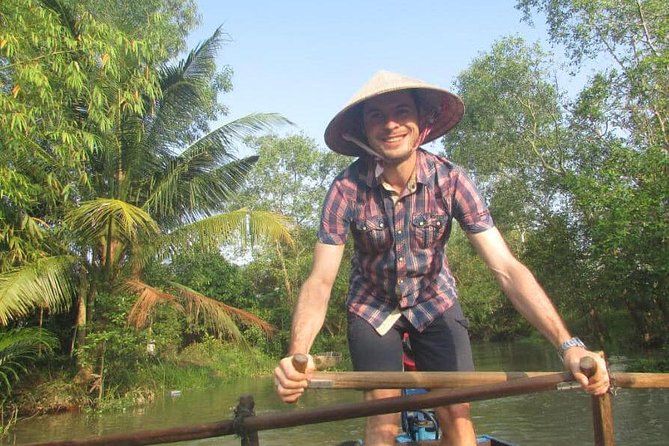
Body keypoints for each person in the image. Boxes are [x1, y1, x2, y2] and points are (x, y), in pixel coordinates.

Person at [273, 70, 610, 446]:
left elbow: (508, 269)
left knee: (457, 414)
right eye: (376, 116)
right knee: (381, 419)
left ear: (422, 124)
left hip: (435, 301)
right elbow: (320, 282)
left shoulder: (451, 180)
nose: (390, 124)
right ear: (363, 130)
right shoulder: (345, 188)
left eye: (401, 111)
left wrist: (569, 345)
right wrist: (297, 355)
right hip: (372, 307)